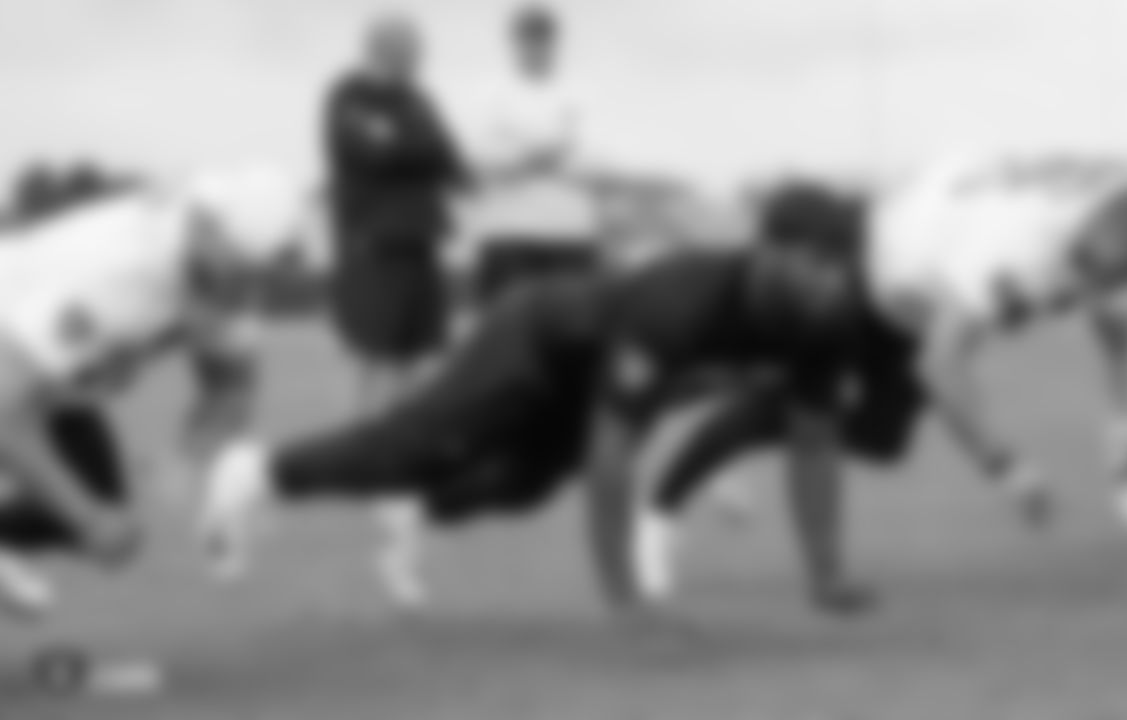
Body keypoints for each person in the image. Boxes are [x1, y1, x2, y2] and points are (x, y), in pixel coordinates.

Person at [198, 181, 880, 618]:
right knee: (417, 445)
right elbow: (613, 457)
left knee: (522, 488)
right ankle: (254, 473)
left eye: (841, 267)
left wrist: (826, 577)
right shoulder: (683, 301)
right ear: (768, 252)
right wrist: (624, 600)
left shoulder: (824, 323)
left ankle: (414, 509)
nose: (832, 282)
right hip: (536, 337)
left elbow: (814, 445)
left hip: (591, 382)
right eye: (818, 263)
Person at [625, 155, 1127, 598]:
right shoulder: (1014, 252)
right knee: (802, 408)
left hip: (911, 282)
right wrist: (1007, 468)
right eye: (1086, 268)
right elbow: (942, 365)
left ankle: (748, 390)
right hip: (867, 268)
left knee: (882, 438)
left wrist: (1125, 428)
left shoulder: (1107, 225)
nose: (1086, 282)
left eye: (1104, 276)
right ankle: (659, 515)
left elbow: (1117, 327)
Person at [0, 164, 329, 620]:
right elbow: (6, 411)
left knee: (105, 519)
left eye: (259, 279)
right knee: (90, 517)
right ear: (207, 232)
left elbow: (231, 386)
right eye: (241, 274)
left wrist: (188, 459)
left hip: (48, 387)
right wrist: (87, 518)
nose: (245, 294)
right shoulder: (117, 274)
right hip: (13, 373)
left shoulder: (221, 275)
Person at [322, 11, 471, 609]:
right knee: (376, 367)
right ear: (380, 49)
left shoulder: (419, 100)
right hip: (372, 250)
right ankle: (370, 482)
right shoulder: (346, 97)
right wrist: (417, 149)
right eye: (409, 49)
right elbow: (378, 153)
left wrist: (413, 147)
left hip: (423, 250)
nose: (418, 58)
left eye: (420, 49)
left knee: (417, 372)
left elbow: (451, 161)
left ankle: (393, 479)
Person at [463, 3, 598, 305]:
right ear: (514, 42)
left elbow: (595, 163)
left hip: (570, 235)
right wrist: (538, 156)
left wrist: (525, 151)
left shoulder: (581, 94)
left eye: (544, 38)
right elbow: (478, 163)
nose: (536, 47)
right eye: (528, 38)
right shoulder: (487, 95)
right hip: (507, 235)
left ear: (555, 43)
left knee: (574, 330)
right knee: (505, 327)